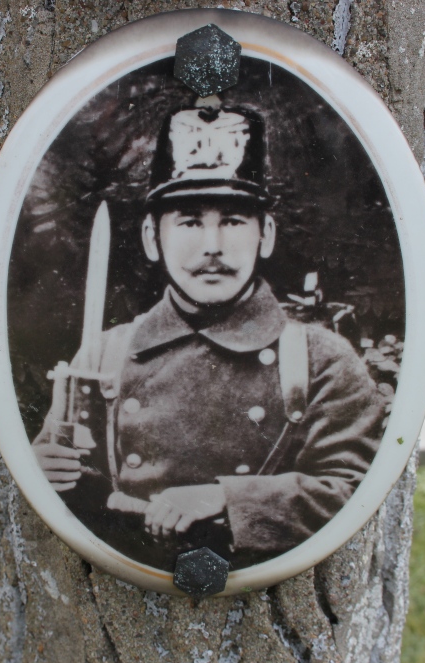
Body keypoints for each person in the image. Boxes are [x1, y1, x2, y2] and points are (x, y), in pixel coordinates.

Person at [32, 98, 386, 570]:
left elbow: (355, 490)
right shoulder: (107, 352)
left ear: (267, 235)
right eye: (191, 222)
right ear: (152, 239)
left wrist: (228, 499)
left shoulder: (320, 359)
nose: (213, 247)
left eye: (234, 221)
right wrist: (46, 466)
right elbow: (73, 475)